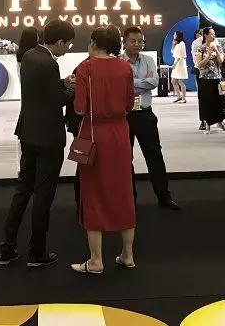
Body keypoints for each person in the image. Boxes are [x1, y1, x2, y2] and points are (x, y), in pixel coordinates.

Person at [0, 19, 77, 268]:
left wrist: (62, 82)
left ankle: (7, 248)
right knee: (44, 194)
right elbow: (58, 99)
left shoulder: (30, 56)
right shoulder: (49, 63)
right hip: (48, 137)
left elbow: (42, 91)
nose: (68, 48)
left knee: (22, 191)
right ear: (60, 42)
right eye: (68, 44)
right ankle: (37, 251)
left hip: (28, 133)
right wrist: (72, 88)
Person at [71, 25, 137, 274]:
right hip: (120, 134)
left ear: (93, 42)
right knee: (123, 191)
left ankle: (96, 260)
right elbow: (129, 103)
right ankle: (128, 254)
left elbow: (79, 107)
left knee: (93, 193)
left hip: (94, 134)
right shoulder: (125, 67)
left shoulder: (85, 68)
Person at [121, 26, 180, 210]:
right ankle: (129, 199)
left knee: (155, 156)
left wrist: (132, 83)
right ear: (124, 42)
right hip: (124, 116)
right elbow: (121, 86)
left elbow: (153, 82)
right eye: (133, 41)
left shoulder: (148, 60)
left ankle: (164, 196)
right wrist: (142, 82)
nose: (137, 44)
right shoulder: (118, 62)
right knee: (124, 159)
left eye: (140, 41)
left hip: (146, 114)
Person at [192, 26, 225, 132]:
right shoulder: (200, 48)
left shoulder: (218, 47)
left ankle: (220, 121)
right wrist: (208, 55)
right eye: (211, 34)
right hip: (204, 79)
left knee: (219, 101)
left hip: (217, 78)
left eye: (214, 34)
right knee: (206, 101)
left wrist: (216, 51)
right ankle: (207, 122)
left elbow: (221, 62)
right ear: (206, 35)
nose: (213, 36)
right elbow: (199, 64)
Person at [190, 28, 205, 129]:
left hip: (214, 73)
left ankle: (217, 119)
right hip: (200, 70)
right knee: (202, 95)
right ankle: (203, 120)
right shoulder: (196, 43)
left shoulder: (215, 42)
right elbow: (195, 59)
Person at [170, 30, 188, 103]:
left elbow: (180, 56)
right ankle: (179, 96)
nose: (173, 36)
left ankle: (183, 98)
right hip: (176, 63)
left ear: (178, 35)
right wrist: (173, 44)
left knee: (181, 81)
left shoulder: (182, 44)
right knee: (173, 81)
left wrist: (175, 64)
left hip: (180, 64)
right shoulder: (177, 44)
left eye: (175, 34)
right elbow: (172, 52)